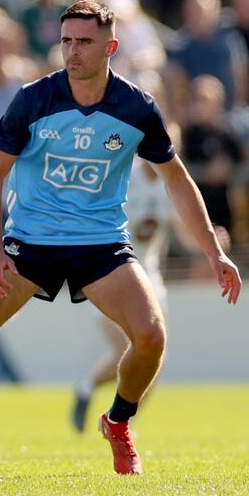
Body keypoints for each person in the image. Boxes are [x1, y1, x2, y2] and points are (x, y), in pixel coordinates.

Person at [0, 0, 241, 478]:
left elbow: (177, 180)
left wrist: (214, 252)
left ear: (111, 47)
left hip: (99, 244)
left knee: (151, 336)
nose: (72, 52)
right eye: (66, 41)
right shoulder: (34, 99)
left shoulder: (136, 108)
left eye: (84, 42)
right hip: (28, 243)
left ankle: (117, 421)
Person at [72, 159, 172, 432]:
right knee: (129, 348)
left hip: (150, 278)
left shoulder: (170, 181)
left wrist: (209, 245)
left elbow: (183, 228)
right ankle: (87, 387)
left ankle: (124, 422)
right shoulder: (124, 176)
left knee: (154, 359)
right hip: (111, 273)